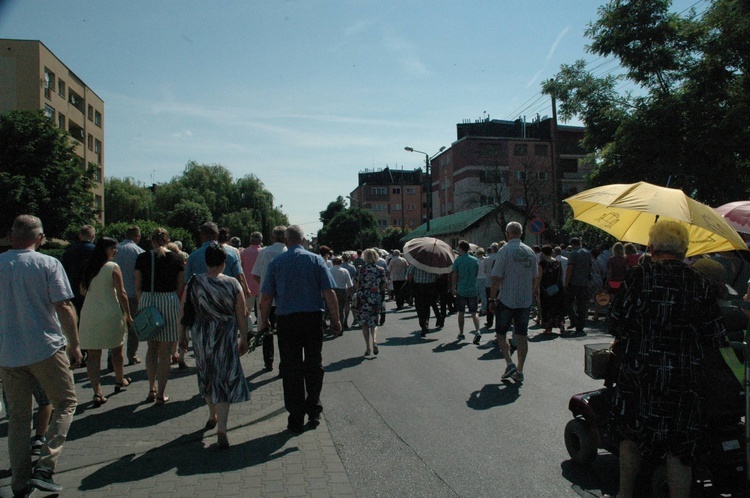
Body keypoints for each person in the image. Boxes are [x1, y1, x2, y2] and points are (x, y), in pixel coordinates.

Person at [608, 221, 727, 498]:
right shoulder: (699, 281)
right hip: (684, 377)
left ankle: (624, 494)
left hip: (640, 373)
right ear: (684, 249)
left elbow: (615, 323)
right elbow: (715, 334)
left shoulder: (639, 277)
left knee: (631, 437)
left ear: (652, 247)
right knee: (679, 448)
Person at [0, 215, 83, 494]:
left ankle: (20, 482)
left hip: (8, 353)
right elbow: (64, 306)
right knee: (66, 402)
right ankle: (46, 466)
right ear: (41, 238)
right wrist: (74, 344)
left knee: (19, 419)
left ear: (11, 236)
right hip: (45, 347)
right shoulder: (47, 263)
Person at [259, 225, 341, 434]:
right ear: (303, 241)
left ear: (286, 241)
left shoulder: (276, 263)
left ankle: (295, 417)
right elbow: (329, 291)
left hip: (287, 321)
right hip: (313, 319)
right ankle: (313, 409)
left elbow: (266, 296)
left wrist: (263, 322)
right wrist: (336, 319)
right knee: (314, 364)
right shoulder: (316, 260)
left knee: (291, 368)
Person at [177, 243, 250, 449]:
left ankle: (212, 414)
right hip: (225, 334)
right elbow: (241, 314)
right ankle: (223, 429)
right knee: (224, 379)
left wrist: (181, 336)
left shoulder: (194, 283)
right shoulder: (233, 284)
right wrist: (244, 338)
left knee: (207, 374)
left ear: (207, 261)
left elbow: (183, 312)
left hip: (201, 334)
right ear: (224, 262)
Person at [78, 237, 133, 406]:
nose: (115, 251)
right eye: (113, 248)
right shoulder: (112, 267)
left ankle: (97, 392)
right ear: (106, 249)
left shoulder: (88, 266)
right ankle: (119, 379)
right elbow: (122, 293)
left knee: (94, 355)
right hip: (110, 312)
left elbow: (81, 290)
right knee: (117, 349)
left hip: (89, 313)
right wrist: (128, 314)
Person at [135, 228, 185, 405]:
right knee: (165, 351)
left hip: (148, 300)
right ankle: (161, 393)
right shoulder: (178, 258)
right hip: (169, 300)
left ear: (152, 240)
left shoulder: (142, 258)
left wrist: (144, 302)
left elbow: (137, 285)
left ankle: (151, 387)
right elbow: (180, 287)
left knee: (151, 348)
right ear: (167, 239)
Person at [489, 222, 538, 382]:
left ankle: (509, 363)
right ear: (521, 233)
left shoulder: (504, 251)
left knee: (501, 333)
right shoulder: (530, 251)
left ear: (507, 234)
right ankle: (520, 370)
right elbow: (535, 276)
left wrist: (491, 298)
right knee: (522, 336)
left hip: (507, 299)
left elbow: (496, 277)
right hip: (524, 300)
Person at [251, 225, 287, 372]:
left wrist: (266, 286)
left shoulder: (264, 252)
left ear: (272, 237)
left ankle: (268, 361)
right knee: (284, 334)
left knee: (266, 330)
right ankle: (284, 363)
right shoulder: (288, 251)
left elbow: (256, 274)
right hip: (284, 300)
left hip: (266, 298)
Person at [114, 226, 145, 365]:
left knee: (116, 327)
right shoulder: (140, 252)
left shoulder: (115, 249)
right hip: (132, 294)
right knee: (133, 326)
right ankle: (132, 355)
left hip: (115, 293)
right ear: (137, 237)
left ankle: (112, 356)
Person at [354, 248, 387, 355]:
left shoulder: (360, 269)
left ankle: (368, 347)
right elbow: (383, 286)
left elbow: (356, 284)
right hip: (375, 298)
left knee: (364, 324)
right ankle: (375, 341)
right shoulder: (380, 270)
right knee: (374, 323)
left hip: (363, 298)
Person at [61, 224, 96, 316]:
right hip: (92, 287)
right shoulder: (96, 251)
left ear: (80, 236)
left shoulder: (68, 251)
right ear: (93, 236)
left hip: (73, 287)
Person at [452, 240, 482, 344]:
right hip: (473, 289)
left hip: (461, 289)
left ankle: (461, 333)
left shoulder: (458, 260)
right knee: (474, 313)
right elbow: (477, 273)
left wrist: (453, 288)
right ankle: (477, 330)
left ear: (461, 249)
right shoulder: (474, 260)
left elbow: (455, 275)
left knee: (461, 312)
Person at [564, 237, 591, 334]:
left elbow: (570, 268)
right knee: (582, 305)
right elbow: (590, 267)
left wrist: (566, 282)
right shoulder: (588, 253)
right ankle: (580, 325)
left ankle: (573, 319)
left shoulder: (573, 253)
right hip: (584, 282)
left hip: (573, 282)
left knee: (568, 302)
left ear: (572, 244)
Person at [536, 245, 565, 334]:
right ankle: (561, 324)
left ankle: (548, 328)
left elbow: (539, 277)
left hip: (546, 289)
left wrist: (534, 288)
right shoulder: (558, 262)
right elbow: (561, 274)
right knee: (558, 307)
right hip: (557, 288)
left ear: (543, 253)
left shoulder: (542, 264)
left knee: (547, 307)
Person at [407, 264, 440, 338]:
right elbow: (437, 276)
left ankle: (423, 324)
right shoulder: (432, 264)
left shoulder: (415, 263)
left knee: (419, 306)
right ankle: (426, 323)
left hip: (419, 286)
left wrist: (411, 283)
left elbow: (409, 275)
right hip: (430, 286)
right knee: (427, 306)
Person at [241, 231, 264, 328]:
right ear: (260, 240)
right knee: (261, 312)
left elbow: (241, 269)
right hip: (261, 285)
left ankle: (249, 330)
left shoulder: (244, 252)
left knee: (247, 310)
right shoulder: (263, 252)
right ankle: (260, 332)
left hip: (248, 286)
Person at [330, 255, 354, 330]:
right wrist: (350, 294)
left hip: (332, 291)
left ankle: (332, 324)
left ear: (333, 263)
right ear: (341, 263)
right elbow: (350, 284)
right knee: (341, 309)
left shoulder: (329, 270)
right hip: (342, 291)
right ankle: (341, 326)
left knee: (332, 308)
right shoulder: (345, 271)